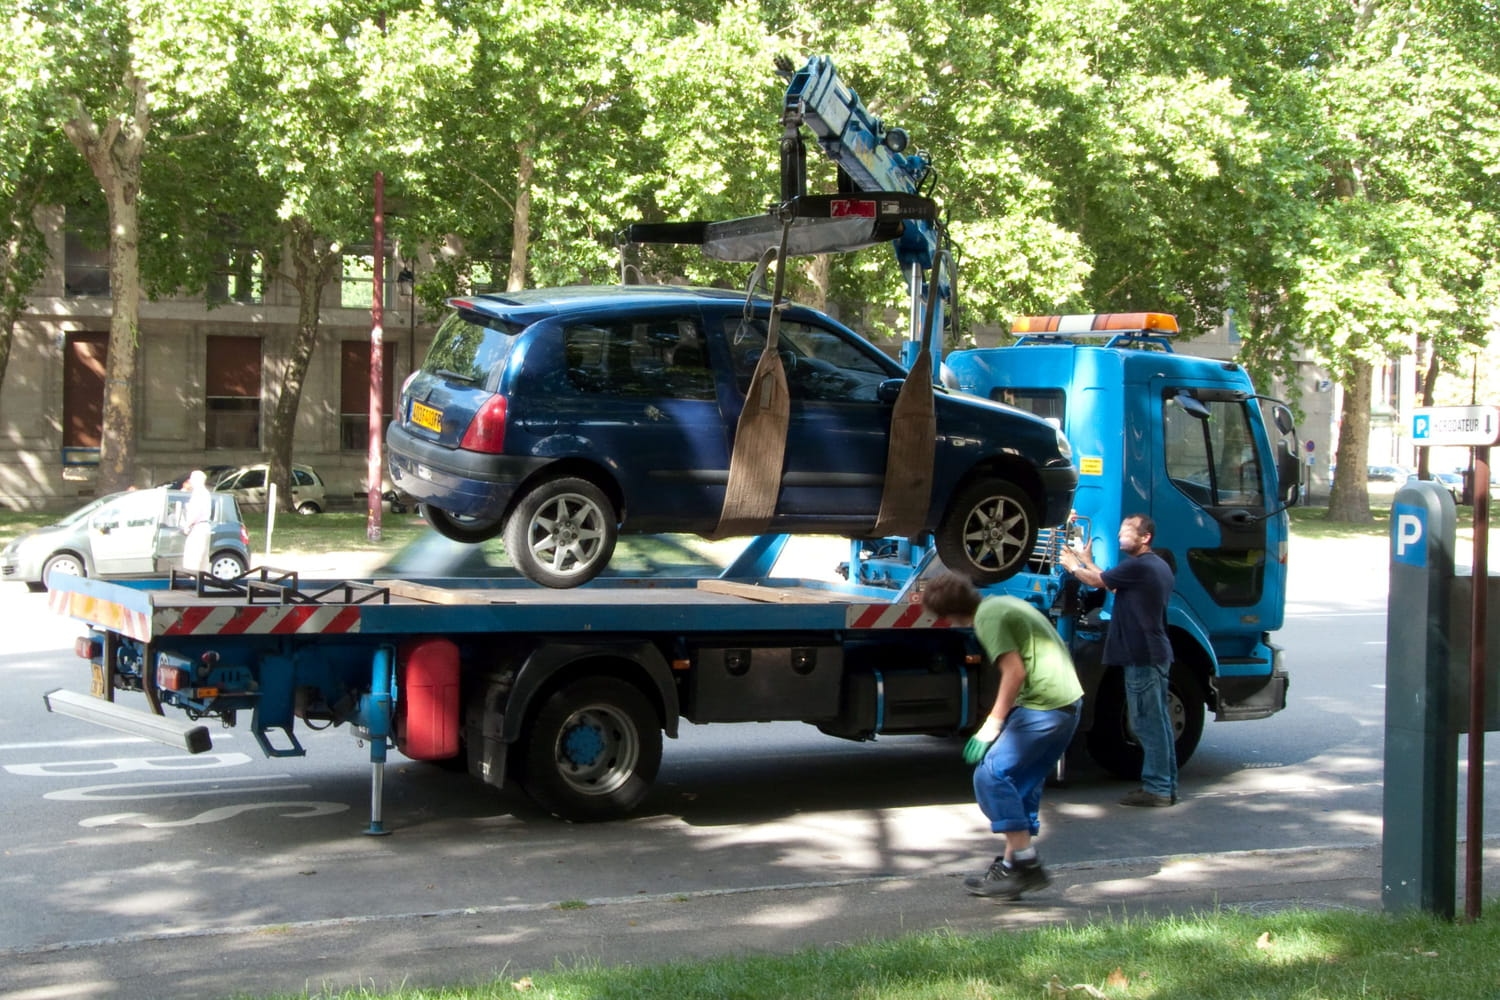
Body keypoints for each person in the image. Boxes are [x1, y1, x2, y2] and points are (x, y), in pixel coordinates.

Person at [920, 572, 1083, 899]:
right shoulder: (1000, 603)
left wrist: (992, 724)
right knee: (1019, 784)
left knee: (991, 775)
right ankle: (1011, 872)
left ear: (949, 615)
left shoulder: (988, 619)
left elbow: (1014, 672)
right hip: (1065, 704)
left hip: (1046, 706)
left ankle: (1025, 862)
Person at [1059, 513, 1178, 807]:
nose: (1120, 535)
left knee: (1147, 725)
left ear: (1145, 537)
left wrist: (1073, 566)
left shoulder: (1140, 566)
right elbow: (1111, 584)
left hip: (1142, 656)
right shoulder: (1152, 567)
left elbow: (1098, 582)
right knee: (1158, 723)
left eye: (1127, 531)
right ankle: (1165, 786)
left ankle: (1158, 789)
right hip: (1153, 654)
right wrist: (1087, 561)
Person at [182, 469, 214, 573]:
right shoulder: (206, 493)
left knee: (194, 556)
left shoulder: (198, 493)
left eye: (191, 478)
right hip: (205, 526)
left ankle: (193, 581)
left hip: (198, 527)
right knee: (203, 558)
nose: (190, 481)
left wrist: (187, 525)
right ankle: (201, 581)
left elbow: (194, 512)